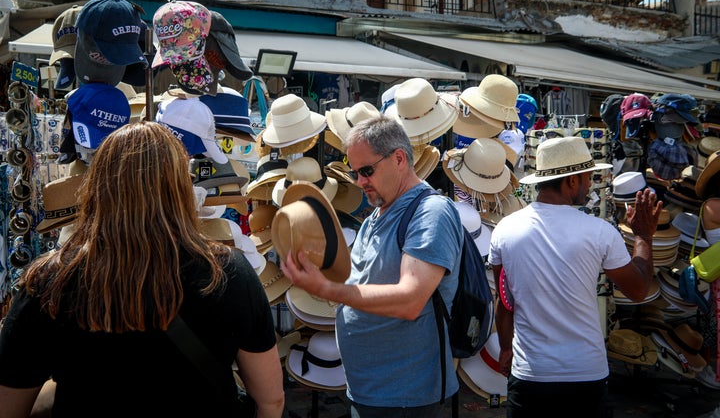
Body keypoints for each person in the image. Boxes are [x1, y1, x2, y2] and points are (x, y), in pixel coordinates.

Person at [0, 121, 284, 418]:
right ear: (181, 190)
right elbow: (271, 400)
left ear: (96, 188)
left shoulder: (48, 282)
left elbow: (9, 407)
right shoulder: (228, 274)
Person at [281, 115, 464, 417]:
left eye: (366, 170)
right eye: (355, 173)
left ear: (399, 159)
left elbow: (409, 301)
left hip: (406, 397)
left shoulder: (430, 213)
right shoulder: (373, 219)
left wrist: (329, 289)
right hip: (371, 392)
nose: (360, 181)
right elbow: (358, 285)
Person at [489, 136, 661, 418]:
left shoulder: (504, 230)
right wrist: (643, 236)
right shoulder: (599, 232)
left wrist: (506, 348)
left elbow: (504, 300)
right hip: (585, 375)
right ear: (571, 182)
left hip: (531, 374)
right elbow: (638, 290)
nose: (590, 184)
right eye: (588, 177)